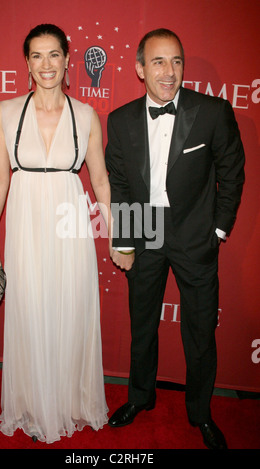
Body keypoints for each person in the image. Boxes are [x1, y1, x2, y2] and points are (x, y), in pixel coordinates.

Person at [105, 28, 245, 449]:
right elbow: (121, 183)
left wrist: (218, 230)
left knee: (200, 330)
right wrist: (126, 240)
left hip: (195, 237)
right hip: (144, 233)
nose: (169, 72)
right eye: (159, 62)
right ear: (139, 68)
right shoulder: (121, 119)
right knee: (142, 325)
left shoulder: (212, 112)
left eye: (177, 61)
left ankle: (201, 413)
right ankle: (139, 398)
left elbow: (232, 172)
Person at [0, 24, 110, 444]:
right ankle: (36, 405)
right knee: (32, 311)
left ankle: (69, 403)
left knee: (69, 310)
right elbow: (0, 178)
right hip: (25, 223)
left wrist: (118, 233)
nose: (46, 65)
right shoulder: (5, 112)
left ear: (68, 58)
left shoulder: (87, 115)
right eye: (37, 56)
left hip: (69, 221)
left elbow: (102, 181)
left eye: (54, 54)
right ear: (26, 63)